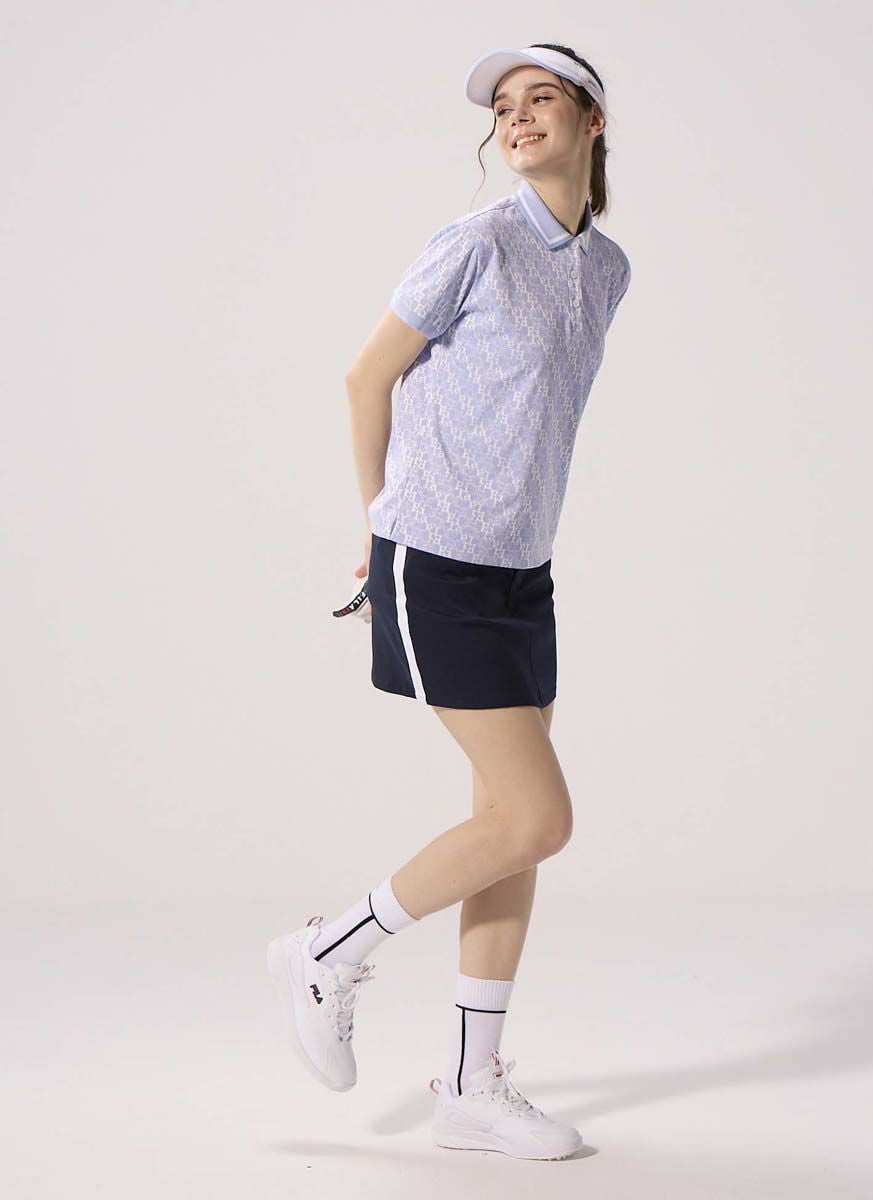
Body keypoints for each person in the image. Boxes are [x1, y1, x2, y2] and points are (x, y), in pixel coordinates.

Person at [267, 43, 631, 1162]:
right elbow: (366, 375)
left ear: (593, 121)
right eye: (503, 108)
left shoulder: (606, 268)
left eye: (541, 100)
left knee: (507, 835)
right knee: (537, 819)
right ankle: (328, 948)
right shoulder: (474, 244)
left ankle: (472, 1087)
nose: (516, 119)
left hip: (524, 570)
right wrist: (379, 524)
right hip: (435, 557)